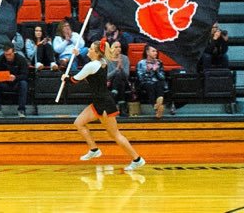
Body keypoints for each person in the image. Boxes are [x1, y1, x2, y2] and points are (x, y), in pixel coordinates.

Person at [62, 40, 145, 171]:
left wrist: (65, 78)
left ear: (96, 53)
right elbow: (89, 69)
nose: (88, 50)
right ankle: (94, 149)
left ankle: (137, 159)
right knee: (78, 123)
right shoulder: (102, 62)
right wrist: (78, 56)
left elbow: (74, 80)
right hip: (98, 102)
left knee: (115, 135)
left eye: (90, 49)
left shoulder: (92, 65)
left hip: (105, 104)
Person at [0, 44, 30, 118]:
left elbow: (25, 75)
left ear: (14, 52)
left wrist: (16, 77)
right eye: (6, 55)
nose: (8, 57)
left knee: (24, 84)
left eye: (10, 54)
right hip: (4, 83)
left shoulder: (21, 59)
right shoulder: (0, 59)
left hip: (16, 83)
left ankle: (21, 109)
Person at [136, 45, 167, 118]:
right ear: (147, 52)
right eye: (153, 51)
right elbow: (140, 78)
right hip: (146, 83)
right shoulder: (141, 63)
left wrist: (156, 71)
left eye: (156, 51)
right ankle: (157, 106)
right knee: (150, 86)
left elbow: (162, 77)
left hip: (157, 82)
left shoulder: (159, 62)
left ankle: (158, 104)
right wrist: (149, 70)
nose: (156, 53)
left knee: (159, 84)